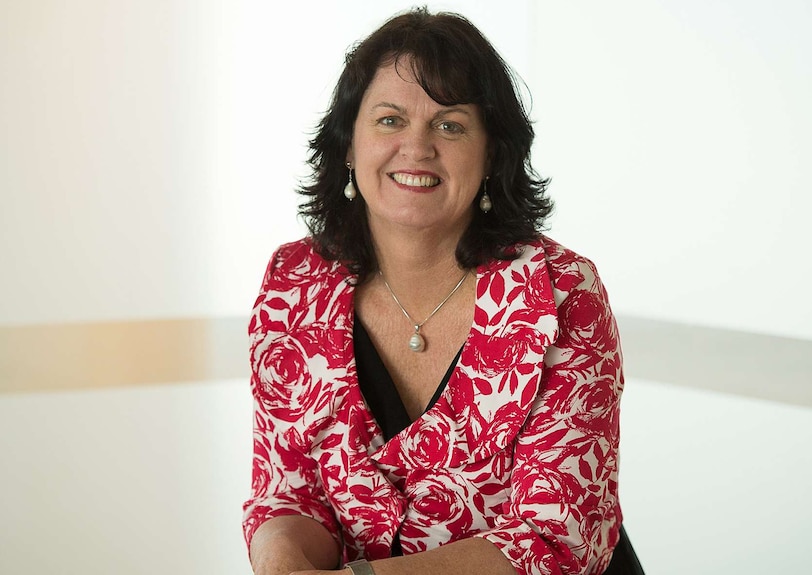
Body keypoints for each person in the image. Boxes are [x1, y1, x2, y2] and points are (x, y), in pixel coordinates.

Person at [243, 7, 629, 575]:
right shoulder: (293, 284)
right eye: (390, 120)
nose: (417, 147)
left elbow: (561, 540)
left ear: (492, 153)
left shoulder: (561, 292)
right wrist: (282, 563)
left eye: (449, 125)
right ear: (349, 144)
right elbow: (290, 494)